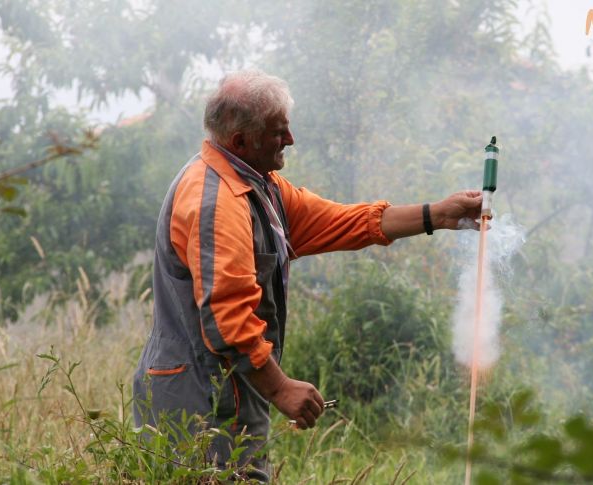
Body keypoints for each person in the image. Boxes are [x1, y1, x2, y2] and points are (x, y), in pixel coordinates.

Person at [133, 69, 483, 482]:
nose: (291, 140)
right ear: (240, 141)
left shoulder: (260, 188)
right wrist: (280, 388)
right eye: (278, 131)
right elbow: (227, 319)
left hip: (229, 392)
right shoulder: (216, 202)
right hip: (197, 399)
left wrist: (438, 214)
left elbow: (343, 221)